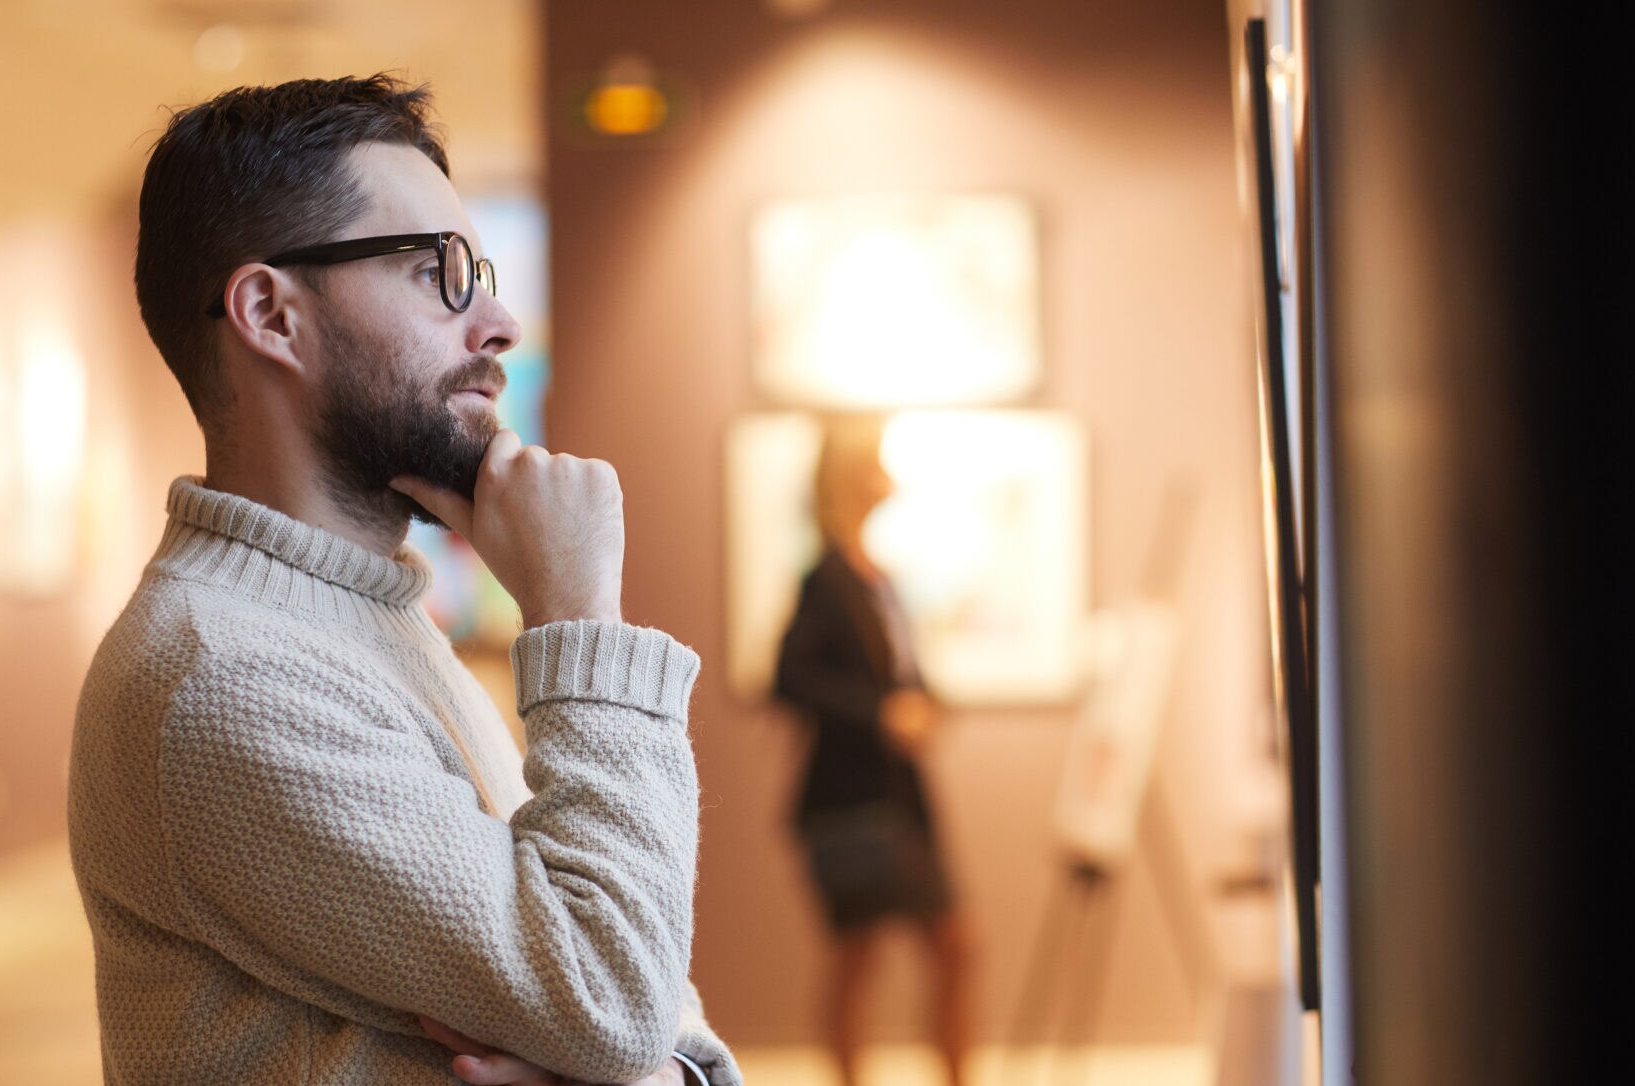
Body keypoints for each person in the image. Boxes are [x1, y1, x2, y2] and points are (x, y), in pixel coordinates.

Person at [68, 75, 737, 1086]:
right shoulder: (227, 677)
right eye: (442, 272)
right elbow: (614, 999)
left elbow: (634, 1001)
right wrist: (577, 616)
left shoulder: (355, 618)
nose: (501, 322)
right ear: (271, 315)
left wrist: (660, 1074)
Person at [773, 417, 974, 1086]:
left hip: (899, 799)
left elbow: (900, 675)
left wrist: (929, 701)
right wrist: (882, 715)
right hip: (851, 805)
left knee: (951, 949)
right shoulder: (826, 578)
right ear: (851, 476)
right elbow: (790, 678)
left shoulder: (876, 578)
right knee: (861, 958)